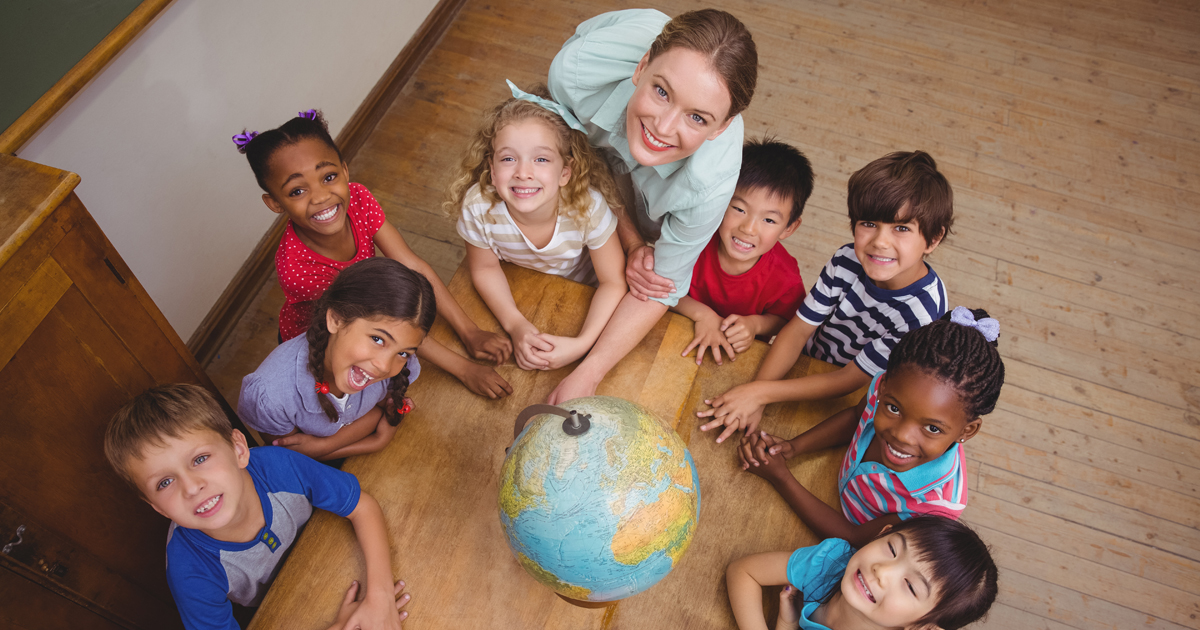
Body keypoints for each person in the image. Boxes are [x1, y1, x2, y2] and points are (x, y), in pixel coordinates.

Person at [543, 8, 757, 403]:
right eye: (661, 91)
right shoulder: (577, 76)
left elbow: (659, 286)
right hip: (584, 150)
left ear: (721, 128)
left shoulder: (710, 184)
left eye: (696, 117)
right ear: (642, 66)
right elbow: (575, 158)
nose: (662, 126)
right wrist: (628, 238)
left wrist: (589, 375)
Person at [235, 109, 513, 399]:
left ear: (345, 170)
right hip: (327, 339)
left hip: (370, 317)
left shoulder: (358, 199)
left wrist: (469, 331)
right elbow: (382, 321)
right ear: (275, 203)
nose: (320, 197)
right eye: (296, 191)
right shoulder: (299, 269)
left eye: (328, 176)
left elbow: (412, 264)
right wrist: (464, 369)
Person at [104, 384, 409, 630]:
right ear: (157, 508)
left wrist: (380, 598)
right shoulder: (190, 570)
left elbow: (361, 506)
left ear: (238, 449)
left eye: (199, 459)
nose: (191, 487)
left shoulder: (280, 466)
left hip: (337, 555)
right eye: (164, 483)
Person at [698, 151, 953, 442]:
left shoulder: (921, 315)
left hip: (851, 399)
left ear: (933, 239)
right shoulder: (847, 259)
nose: (880, 242)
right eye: (868, 224)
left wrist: (758, 393)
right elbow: (797, 330)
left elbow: (847, 381)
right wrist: (759, 394)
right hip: (804, 364)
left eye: (902, 228)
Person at [737, 308, 1005, 548]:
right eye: (894, 409)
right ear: (885, 384)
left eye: (932, 429)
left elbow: (854, 538)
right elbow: (857, 417)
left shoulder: (934, 507)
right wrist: (794, 447)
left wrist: (782, 478)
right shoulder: (883, 391)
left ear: (966, 432)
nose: (901, 434)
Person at [448, 82, 626, 371]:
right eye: (508, 159)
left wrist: (583, 343)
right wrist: (516, 325)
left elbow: (613, 281)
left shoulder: (587, 207)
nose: (523, 173)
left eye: (541, 159)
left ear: (565, 172)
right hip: (520, 292)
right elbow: (484, 268)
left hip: (585, 297)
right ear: (492, 171)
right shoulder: (478, 206)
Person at [238, 258, 432, 460]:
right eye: (377, 339)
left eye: (403, 353)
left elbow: (380, 407)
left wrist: (326, 445)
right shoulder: (271, 397)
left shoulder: (394, 366)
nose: (384, 366)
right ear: (336, 319)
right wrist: (375, 436)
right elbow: (293, 459)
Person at [673, 138, 813, 365]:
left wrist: (755, 325)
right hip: (675, 334)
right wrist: (703, 315)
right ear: (720, 200)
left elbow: (786, 320)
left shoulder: (785, 277)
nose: (748, 228)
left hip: (737, 358)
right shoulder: (694, 237)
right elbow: (659, 285)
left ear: (789, 228)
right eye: (739, 209)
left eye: (769, 219)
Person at [726, 516, 998, 630]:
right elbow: (743, 571)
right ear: (882, 534)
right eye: (892, 549)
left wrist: (786, 625)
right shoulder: (829, 564)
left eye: (911, 586)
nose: (882, 571)